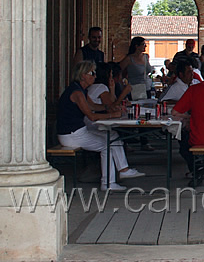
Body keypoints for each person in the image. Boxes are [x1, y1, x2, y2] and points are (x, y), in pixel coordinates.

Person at [56, 61, 145, 191]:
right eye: (92, 73)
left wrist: (109, 107)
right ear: (82, 76)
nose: (95, 76)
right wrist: (112, 115)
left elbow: (92, 106)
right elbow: (91, 115)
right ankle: (108, 183)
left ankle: (123, 169)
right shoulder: (77, 93)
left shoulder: (81, 90)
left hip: (76, 131)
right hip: (71, 135)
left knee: (112, 136)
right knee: (106, 146)